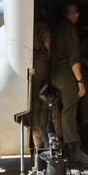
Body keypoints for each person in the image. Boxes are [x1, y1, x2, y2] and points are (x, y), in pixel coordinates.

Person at [50, 3, 88, 167]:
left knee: (61, 110)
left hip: (53, 74)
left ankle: (61, 141)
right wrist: (80, 81)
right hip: (65, 75)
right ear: (76, 14)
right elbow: (74, 60)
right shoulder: (71, 30)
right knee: (69, 111)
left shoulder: (57, 28)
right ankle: (74, 150)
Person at [31, 21, 51, 151]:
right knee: (43, 105)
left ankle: (40, 147)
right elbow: (47, 43)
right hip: (41, 65)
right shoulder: (43, 28)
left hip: (34, 65)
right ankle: (45, 145)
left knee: (35, 110)